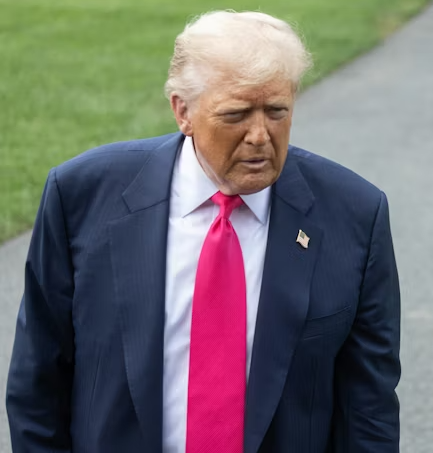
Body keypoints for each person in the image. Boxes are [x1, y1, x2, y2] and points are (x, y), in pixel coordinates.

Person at [6, 10, 401, 453]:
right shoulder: (81, 197)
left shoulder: (354, 215)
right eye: (236, 114)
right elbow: (37, 382)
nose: (260, 135)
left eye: (276, 111)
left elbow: (369, 409)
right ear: (183, 111)